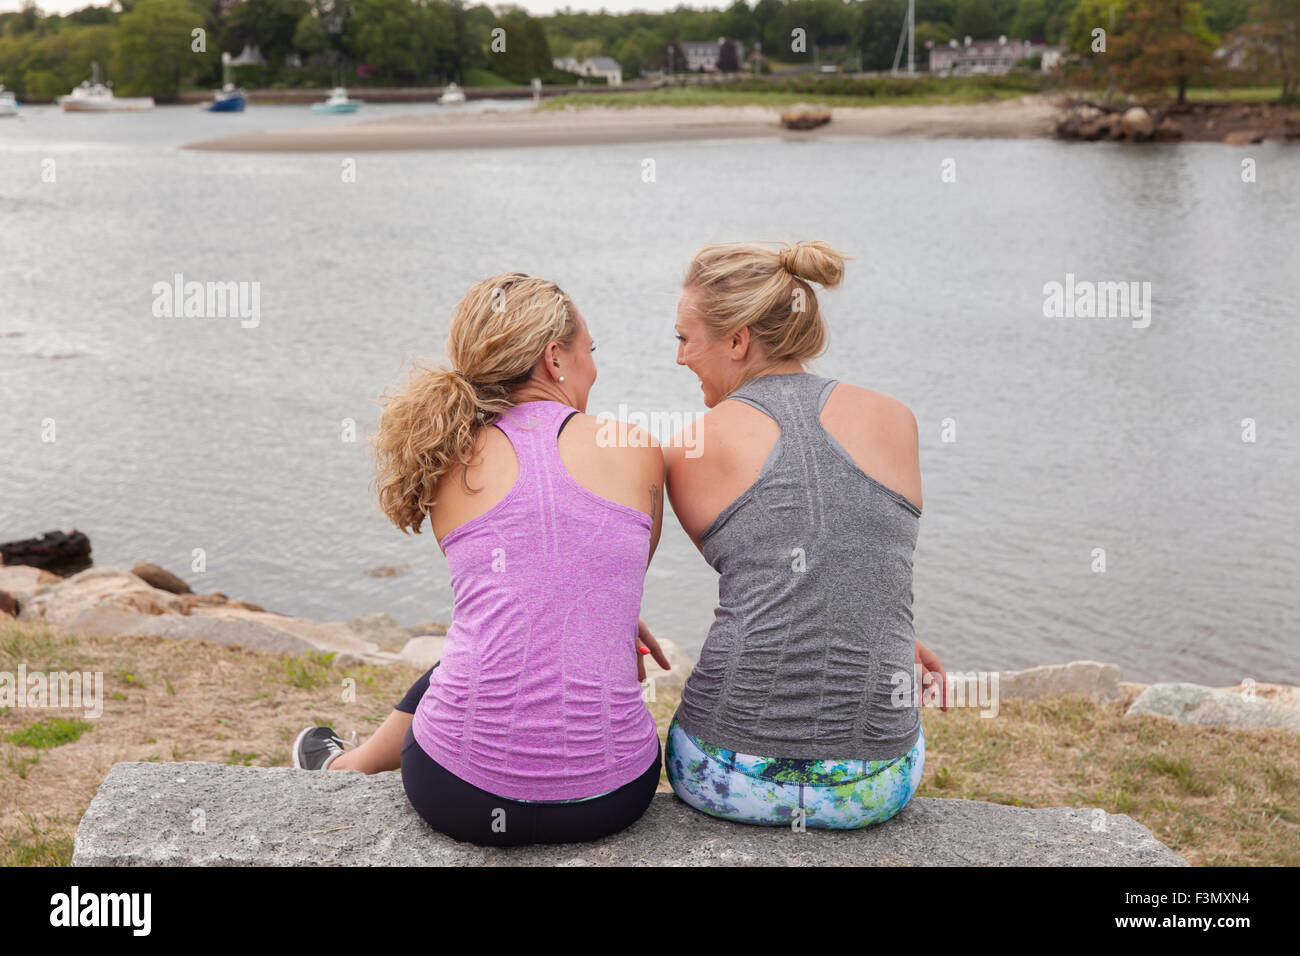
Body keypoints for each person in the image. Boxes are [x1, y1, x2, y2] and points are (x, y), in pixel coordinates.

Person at [292, 273, 670, 847]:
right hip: (610, 799)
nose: (594, 367)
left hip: (457, 794)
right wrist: (608, 615)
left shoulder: (449, 457)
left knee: (467, 659)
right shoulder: (636, 447)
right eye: (589, 351)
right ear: (554, 359)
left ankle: (343, 768)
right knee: (488, 654)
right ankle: (346, 766)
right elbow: (618, 562)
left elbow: (515, 584)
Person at [661, 239, 947, 829]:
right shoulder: (896, 418)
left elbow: (761, 575)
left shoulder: (689, 446)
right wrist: (886, 632)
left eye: (684, 338)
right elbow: (845, 550)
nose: (680, 358)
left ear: (738, 340)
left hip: (726, 772)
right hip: (875, 780)